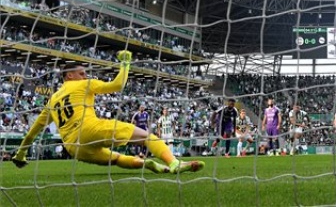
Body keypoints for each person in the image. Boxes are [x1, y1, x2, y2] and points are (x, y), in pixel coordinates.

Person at [11, 51, 203, 174]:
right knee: (147, 137)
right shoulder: (84, 84)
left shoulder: (52, 100)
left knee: (117, 159)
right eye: (82, 73)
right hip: (90, 129)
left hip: (73, 147)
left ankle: (149, 164)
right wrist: (126, 63)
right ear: (69, 75)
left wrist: (20, 155)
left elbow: (32, 133)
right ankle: (174, 163)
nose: (85, 76)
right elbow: (118, 85)